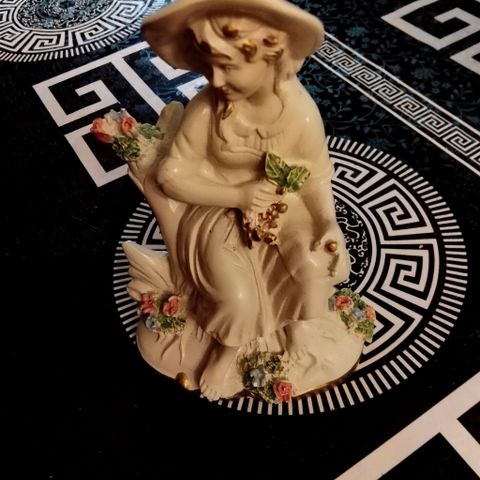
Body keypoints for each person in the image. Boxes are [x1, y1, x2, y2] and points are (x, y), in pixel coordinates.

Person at [128, 0, 352, 401]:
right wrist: (237, 195)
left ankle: (298, 334)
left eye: (227, 67)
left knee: (311, 262)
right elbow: (170, 176)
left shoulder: (300, 114)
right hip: (216, 214)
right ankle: (225, 352)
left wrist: (326, 223)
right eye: (209, 66)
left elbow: (316, 177)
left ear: (269, 58)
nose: (216, 79)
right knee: (239, 299)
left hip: (285, 209)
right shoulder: (208, 110)